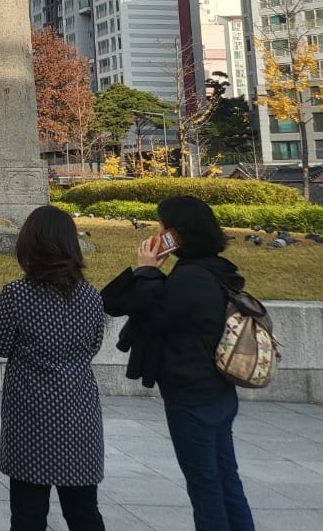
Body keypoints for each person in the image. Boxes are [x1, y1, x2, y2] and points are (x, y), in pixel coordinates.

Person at [101, 196, 255, 531]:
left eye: (162, 227)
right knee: (227, 482)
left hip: (192, 397)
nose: (158, 232)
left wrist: (146, 268)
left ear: (175, 233)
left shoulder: (189, 279)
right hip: (219, 393)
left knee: (206, 489)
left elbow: (144, 315)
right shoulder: (215, 270)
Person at [0, 205, 106, 531]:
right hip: (80, 411)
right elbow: (93, 346)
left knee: (28, 514)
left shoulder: (18, 294)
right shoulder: (91, 296)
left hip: (31, 414)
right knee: (83, 511)